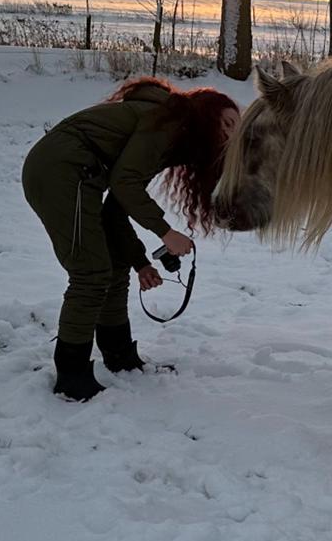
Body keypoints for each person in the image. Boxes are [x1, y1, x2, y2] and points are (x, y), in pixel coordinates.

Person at [22, 76, 241, 400]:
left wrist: (139, 262)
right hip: (62, 171)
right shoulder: (167, 123)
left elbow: (115, 209)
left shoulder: (170, 129)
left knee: (114, 266)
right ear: (206, 116)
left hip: (77, 174)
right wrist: (166, 233)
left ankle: (120, 356)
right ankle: (72, 377)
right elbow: (125, 185)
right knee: (91, 273)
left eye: (237, 127)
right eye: (227, 123)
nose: (232, 134)